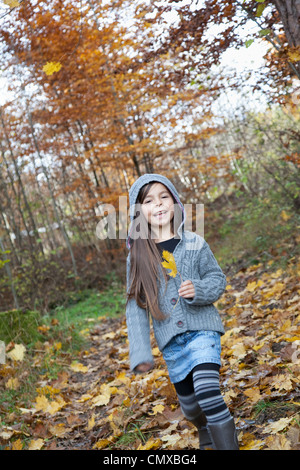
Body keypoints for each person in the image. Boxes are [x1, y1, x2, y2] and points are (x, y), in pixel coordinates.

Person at [125, 173, 239, 450]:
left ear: (175, 202)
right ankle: (205, 430)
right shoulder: (137, 257)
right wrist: (140, 352)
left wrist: (199, 289)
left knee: (208, 391)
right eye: (149, 200)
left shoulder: (195, 243)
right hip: (171, 344)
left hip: (203, 330)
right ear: (139, 213)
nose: (159, 204)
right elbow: (135, 308)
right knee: (190, 406)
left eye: (164, 196)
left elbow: (217, 279)